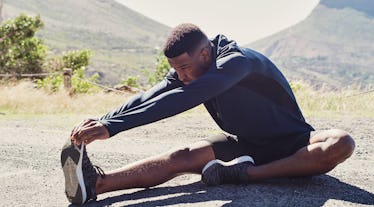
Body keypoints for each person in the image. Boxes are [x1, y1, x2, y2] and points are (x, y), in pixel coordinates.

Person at [61, 23, 355, 205]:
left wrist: (115, 128)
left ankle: (243, 175)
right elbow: (152, 94)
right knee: (180, 157)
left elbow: (185, 97)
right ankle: (96, 184)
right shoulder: (189, 68)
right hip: (246, 146)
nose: (181, 76)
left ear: (205, 54)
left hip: (294, 143)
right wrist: (107, 121)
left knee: (343, 143)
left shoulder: (236, 63)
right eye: (176, 70)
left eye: (184, 68)